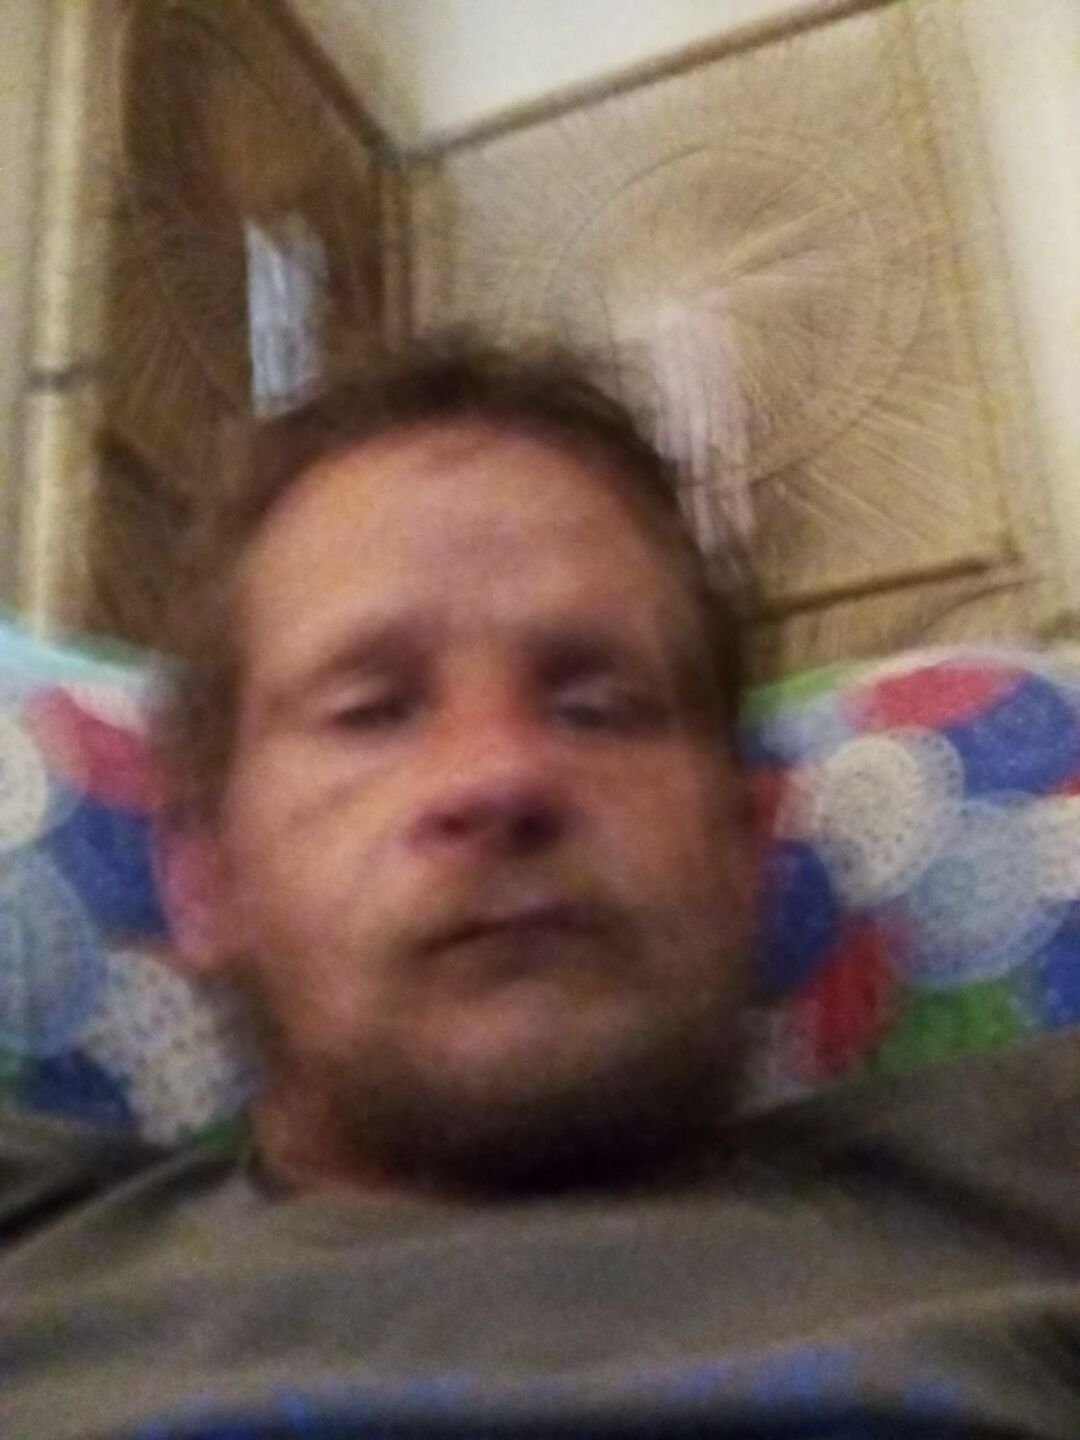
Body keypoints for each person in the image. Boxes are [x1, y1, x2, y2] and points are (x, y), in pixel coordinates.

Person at [4, 339, 1080, 1440]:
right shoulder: (34, 1252)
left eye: (597, 707)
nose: (500, 774)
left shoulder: (1028, 1180)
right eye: (372, 711)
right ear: (204, 877)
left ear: (744, 846)